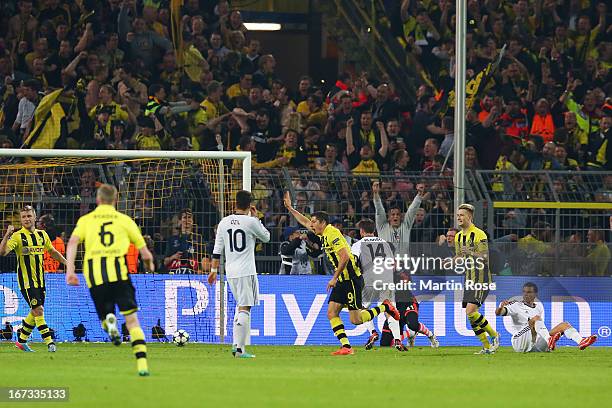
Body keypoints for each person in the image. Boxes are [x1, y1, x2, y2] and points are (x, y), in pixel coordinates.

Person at [284, 192, 400, 355]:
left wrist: (334, 278)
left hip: (351, 279)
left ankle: (385, 307)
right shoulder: (322, 232)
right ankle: (346, 347)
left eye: (315, 222)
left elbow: (344, 257)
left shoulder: (332, 233)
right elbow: (303, 220)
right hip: (342, 281)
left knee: (356, 320)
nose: (311, 224)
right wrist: (290, 208)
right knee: (332, 312)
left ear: (323, 223)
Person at [65, 184, 155, 376]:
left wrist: (70, 270)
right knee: (132, 320)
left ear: (98, 200)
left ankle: (109, 325)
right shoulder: (125, 220)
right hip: (119, 275)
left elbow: (72, 242)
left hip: (95, 277)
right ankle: (142, 365)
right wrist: (149, 266)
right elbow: (145, 253)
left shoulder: (86, 220)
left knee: (104, 318)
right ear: (115, 200)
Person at [208, 190, 271, 358]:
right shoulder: (251, 222)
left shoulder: (224, 222)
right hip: (246, 271)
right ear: (250, 205)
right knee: (245, 307)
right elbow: (266, 237)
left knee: (240, 305)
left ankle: (236, 345)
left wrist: (213, 270)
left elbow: (217, 250)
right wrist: (257, 218)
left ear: (234, 203)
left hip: (230, 271)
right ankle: (240, 350)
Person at [0, 205, 67, 353]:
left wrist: (67, 263)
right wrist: (7, 235)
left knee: (34, 311)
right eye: (23, 217)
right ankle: (49, 342)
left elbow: (53, 251)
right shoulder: (17, 236)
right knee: (39, 309)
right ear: (21, 220)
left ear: (35, 217)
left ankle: (21, 341)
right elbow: (2, 252)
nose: (26, 219)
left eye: (29, 216)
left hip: (41, 281)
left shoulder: (42, 235)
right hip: (26, 282)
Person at [351, 218, 406, 351]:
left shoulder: (358, 244)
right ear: (374, 231)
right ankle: (397, 339)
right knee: (390, 309)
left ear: (361, 231)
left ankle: (373, 333)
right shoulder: (385, 243)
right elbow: (393, 265)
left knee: (361, 309)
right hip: (386, 280)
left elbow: (354, 263)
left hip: (368, 281)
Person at [495, 282, 597, 352]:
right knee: (536, 319)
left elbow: (537, 329)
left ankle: (581, 341)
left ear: (535, 294)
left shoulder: (538, 307)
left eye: (529, 292)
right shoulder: (515, 305)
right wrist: (500, 307)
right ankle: (549, 340)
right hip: (519, 341)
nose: (526, 294)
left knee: (564, 325)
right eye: (524, 292)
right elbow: (498, 313)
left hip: (534, 343)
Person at [455, 203, 500, 354]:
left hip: (481, 279)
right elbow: (461, 256)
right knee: (471, 315)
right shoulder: (458, 236)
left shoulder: (479, 234)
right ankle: (486, 347)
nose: (458, 217)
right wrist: (451, 260)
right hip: (468, 279)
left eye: (461, 215)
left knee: (471, 311)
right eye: (457, 215)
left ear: (469, 217)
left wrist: (471, 252)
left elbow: (486, 257)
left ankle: (494, 335)